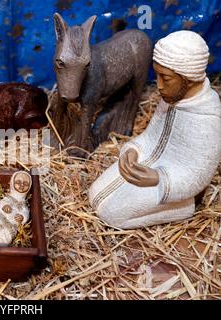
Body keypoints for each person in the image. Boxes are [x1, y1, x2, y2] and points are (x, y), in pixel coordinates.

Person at [89, 30, 221, 229]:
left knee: (111, 215)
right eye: (157, 75)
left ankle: (184, 207)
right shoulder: (172, 97)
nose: (158, 86)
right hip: (147, 164)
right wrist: (133, 151)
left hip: (172, 184)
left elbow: (198, 174)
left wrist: (159, 178)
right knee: (95, 193)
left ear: (188, 78)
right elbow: (151, 138)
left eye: (165, 78)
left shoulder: (207, 117)